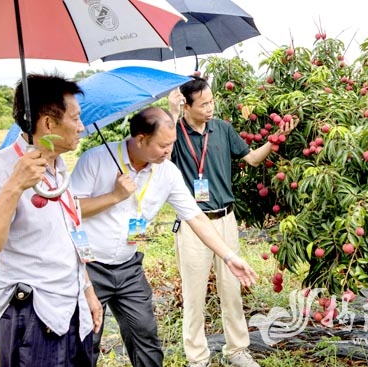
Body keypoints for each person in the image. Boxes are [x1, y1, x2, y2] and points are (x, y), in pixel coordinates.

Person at [70, 106, 258, 367]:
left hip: (128, 267)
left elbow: (195, 217)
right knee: (85, 341)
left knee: (146, 337)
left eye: (172, 144)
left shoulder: (167, 172)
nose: (169, 151)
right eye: (163, 145)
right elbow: (71, 211)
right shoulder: (96, 159)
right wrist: (114, 196)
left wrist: (228, 256)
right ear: (141, 140)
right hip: (90, 268)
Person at [168, 76, 297, 367]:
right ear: (186, 105)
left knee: (232, 289)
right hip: (192, 224)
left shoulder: (223, 129)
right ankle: (197, 358)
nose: (211, 107)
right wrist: (171, 115)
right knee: (194, 294)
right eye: (203, 104)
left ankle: (237, 350)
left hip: (225, 219)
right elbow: (157, 156)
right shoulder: (173, 133)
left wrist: (275, 139)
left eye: (212, 101)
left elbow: (251, 159)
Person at [0, 74, 102, 367]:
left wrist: (88, 290)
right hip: (32, 315)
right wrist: (16, 185)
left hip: (73, 308)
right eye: (76, 118)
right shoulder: (1, 170)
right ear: (49, 124)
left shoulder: (59, 167)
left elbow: (70, 234)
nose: (81, 127)